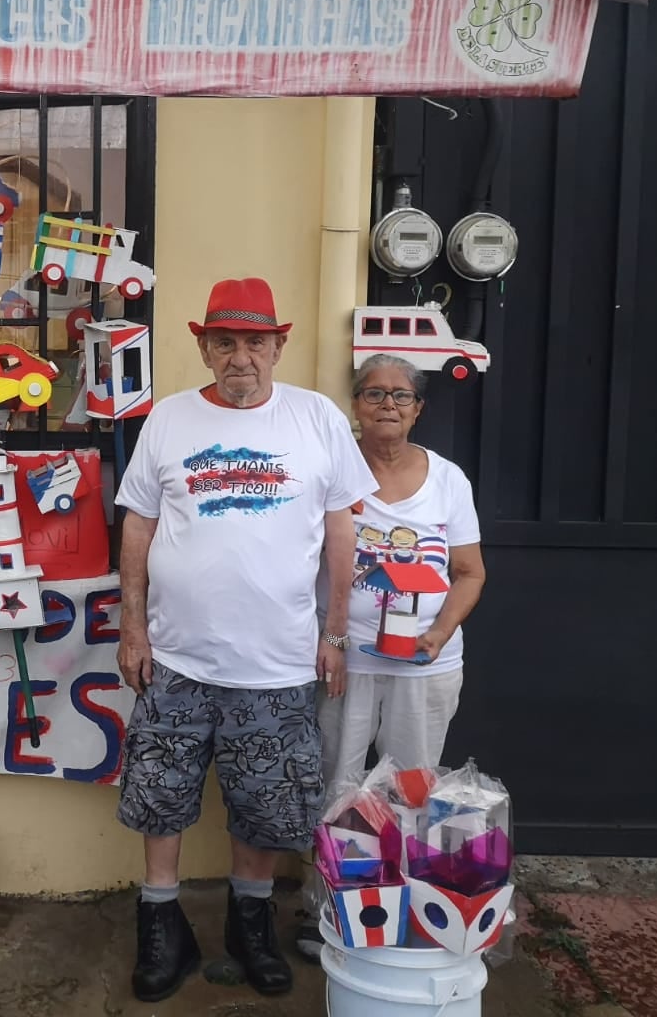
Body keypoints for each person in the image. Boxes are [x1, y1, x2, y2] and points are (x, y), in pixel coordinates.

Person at [114, 278, 377, 1002]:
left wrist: (336, 631)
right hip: (174, 659)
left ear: (278, 347)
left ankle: (248, 924)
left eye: (254, 342)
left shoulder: (317, 420)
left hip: (278, 662)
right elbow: (137, 523)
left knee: (265, 803)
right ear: (202, 346)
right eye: (224, 342)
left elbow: (341, 529)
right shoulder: (167, 420)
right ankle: (161, 923)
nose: (240, 357)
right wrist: (132, 626)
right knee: (159, 796)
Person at [293, 353, 487, 958]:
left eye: (401, 396)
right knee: (338, 786)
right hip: (343, 662)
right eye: (374, 394)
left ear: (418, 409)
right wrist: (328, 638)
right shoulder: (328, 472)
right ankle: (328, 907)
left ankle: (407, 903)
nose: (387, 405)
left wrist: (438, 632)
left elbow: (470, 573)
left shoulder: (449, 480)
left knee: (414, 787)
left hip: (426, 665)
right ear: (355, 405)